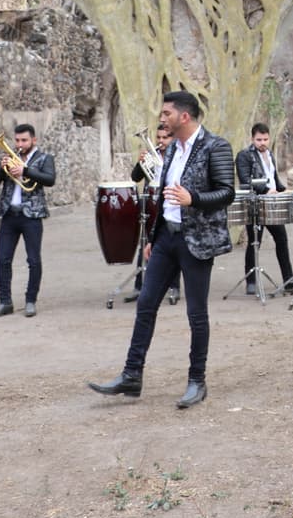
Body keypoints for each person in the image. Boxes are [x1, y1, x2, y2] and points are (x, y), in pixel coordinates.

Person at [89, 90, 236, 408]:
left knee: (196, 314)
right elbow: (161, 200)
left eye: (166, 113)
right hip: (166, 239)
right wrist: (153, 239)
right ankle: (132, 375)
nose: (162, 118)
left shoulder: (216, 146)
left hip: (197, 242)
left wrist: (193, 198)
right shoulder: (170, 151)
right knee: (145, 304)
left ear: (184, 116)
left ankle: (197, 381)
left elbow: (227, 192)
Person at [0, 123, 56, 319]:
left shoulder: (44, 158)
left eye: (24, 140)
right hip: (9, 215)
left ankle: (30, 301)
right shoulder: (8, 157)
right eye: (17, 140)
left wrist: (25, 171)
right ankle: (5, 302)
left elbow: (50, 179)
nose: (20, 144)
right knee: (3, 260)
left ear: (34, 140)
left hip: (32, 216)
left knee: (33, 260)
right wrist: (2, 168)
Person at [236, 122, 293, 293]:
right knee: (255, 242)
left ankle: (288, 280)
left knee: (282, 240)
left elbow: (273, 179)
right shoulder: (244, 156)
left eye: (265, 139)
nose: (262, 142)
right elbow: (245, 181)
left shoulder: (269, 154)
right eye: (259, 139)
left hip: (271, 205)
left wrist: (284, 190)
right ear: (252, 139)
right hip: (254, 205)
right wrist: (266, 190)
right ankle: (251, 282)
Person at [126, 124, 177, 303]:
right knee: (146, 242)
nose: (161, 141)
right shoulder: (151, 155)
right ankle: (140, 286)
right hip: (151, 201)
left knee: (173, 244)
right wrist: (141, 163)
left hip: (171, 201)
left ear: (173, 138)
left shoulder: (178, 156)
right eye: (159, 138)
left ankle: (174, 287)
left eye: (166, 138)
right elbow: (135, 178)